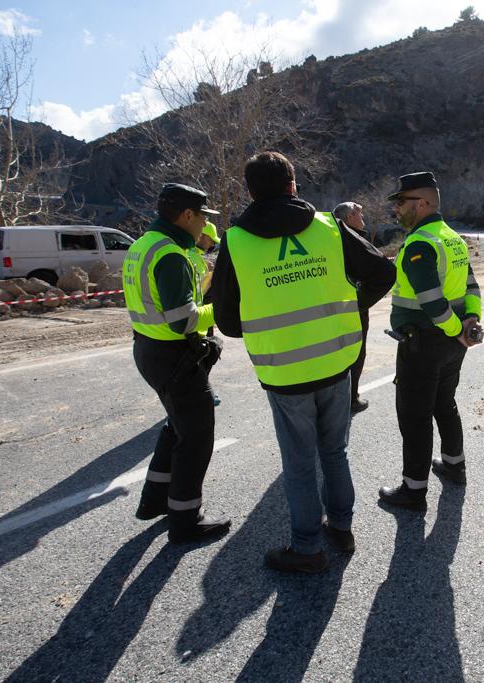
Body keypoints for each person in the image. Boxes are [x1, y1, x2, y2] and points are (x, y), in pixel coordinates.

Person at [209, 151, 395, 573]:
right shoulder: (330, 228)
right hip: (336, 360)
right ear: (293, 186)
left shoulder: (236, 242)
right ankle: (342, 529)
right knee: (335, 452)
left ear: (250, 192)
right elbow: (383, 273)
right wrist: (350, 309)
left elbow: (227, 321)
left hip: (284, 369)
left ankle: (307, 548)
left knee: (298, 463)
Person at [123, 183, 230, 544]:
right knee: (197, 435)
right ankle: (185, 519)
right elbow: (182, 320)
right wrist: (224, 311)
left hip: (151, 350)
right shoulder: (170, 255)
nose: (204, 225)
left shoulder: (144, 244)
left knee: (177, 427)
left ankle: (154, 500)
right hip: (173, 356)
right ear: (187, 215)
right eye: (202, 217)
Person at [379, 171, 483, 512]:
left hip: (424, 344)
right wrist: (471, 322)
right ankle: (454, 466)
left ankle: (413, 490)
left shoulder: (421, 243)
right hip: (451, 344)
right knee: (444, 404)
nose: (396, 208)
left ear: (423, 203)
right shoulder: (451, 237)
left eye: (401, 202)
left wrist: (456, 330)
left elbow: (432, 301)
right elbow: (471, 287)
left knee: (415, 417)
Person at [332, 201, 380, 414]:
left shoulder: (332, 238)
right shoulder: (352, 239)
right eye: (360, 214)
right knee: (356, 351)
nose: (363, 219)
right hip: (354, 303)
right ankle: (351, 398)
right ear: (350, 217)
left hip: (337, 303)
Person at [189, 222, 222, 406]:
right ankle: (202, 393)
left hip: (199, 314)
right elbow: (201, 291)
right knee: (203, 354)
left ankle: (204, 391)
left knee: (203, 354)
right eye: (210, 240)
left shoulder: (194, 255)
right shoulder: (197, 260)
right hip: (199, 316)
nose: (212, 245)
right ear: (202, 236)